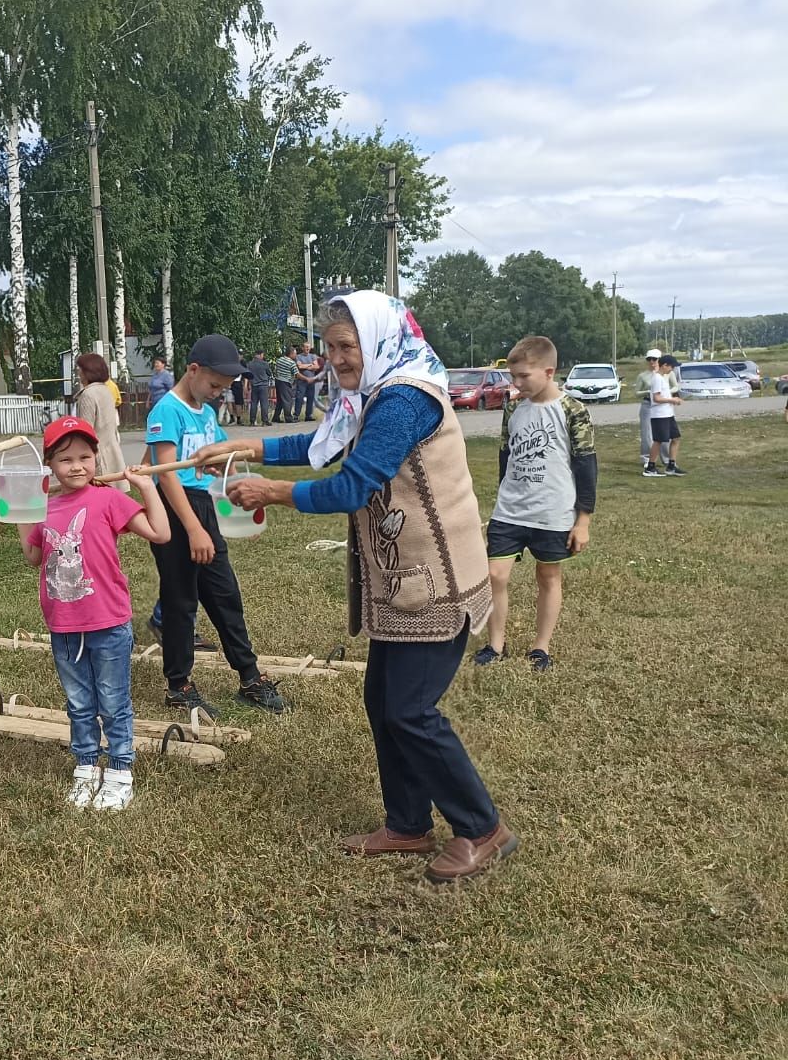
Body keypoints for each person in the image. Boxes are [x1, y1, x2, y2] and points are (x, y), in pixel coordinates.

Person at [204, 291, 516, 885]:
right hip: (405, 579)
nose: (338, 359)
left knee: (410, 709)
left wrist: (273, 491)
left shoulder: (403, 399)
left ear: (377, 340)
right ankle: (407, 824)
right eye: (329, 347)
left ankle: (482, 827)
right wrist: (247, 445)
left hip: (436, 578)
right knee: (383, 701)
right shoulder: (371, 395)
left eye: (348, 346)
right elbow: (325, 443)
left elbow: (350, 485)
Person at [19, 417, 170, 810]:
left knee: (113, 700)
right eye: (66, 459)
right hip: (64, 626)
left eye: (85, 457)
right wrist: (20, 511)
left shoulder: (108, 499)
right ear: (50, 464)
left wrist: (145, 487)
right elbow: (34, 556)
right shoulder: (45, 507)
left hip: (109, 622)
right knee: (79, 702)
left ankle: (120, 771)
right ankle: (86, 767)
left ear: (96, 457)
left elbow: (160, 533)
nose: (77, 466)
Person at [144, 333, 284, 719]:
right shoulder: (166, 411)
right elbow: (168, 477)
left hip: (204, 507)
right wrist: (193, 529)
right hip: (177, 514)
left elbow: (224, 458)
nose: (218, 394)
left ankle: (250, 677)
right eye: (214, 385)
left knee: (225, 596)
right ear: (193, 370)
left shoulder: (205, 412)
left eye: (224, 388)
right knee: (180, 602)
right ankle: (179, 685)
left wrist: (237, 484)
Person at [472, 336, 596, 673]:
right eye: (514, 376)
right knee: (495, 575)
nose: (516, 383)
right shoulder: (513, 408)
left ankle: (540, 648)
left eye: (524, 376)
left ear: (549, 371)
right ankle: (496, 645)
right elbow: (505, 454)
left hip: (552, 512)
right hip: (510, 511)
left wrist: (582, 520)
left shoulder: (572, 410)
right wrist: (502, 497)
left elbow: (586, 463)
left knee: (548, 576)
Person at [73, 352, 126, 482]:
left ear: (88, 371)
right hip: (112, 453)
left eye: (80, 369)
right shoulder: (106, 390)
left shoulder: (88, 395)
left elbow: (86, 432)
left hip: (97, 457)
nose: (79, 373)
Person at [646, 355, 685, 477]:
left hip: (668, 414)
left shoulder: (663, 378)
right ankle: (650, 468)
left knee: (676, 438)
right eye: (671, 366)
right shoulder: (657, 378)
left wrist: (673, 400)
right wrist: (672, 400)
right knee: (658, 440)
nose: (672, 369)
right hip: (659, 415)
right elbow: (656, 398)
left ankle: (671, 466)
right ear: (664, 365)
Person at [635, 349, 661, 469]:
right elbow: (636, 393)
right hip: (647, 404)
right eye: (649, 359)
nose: (651, 361)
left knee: (663, 432)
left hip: (662, 405)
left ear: (659, 360)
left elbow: (674, 386)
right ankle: (646, 458)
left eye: (654, 359)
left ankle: (666, 459)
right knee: (647, 433)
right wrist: (648, 391)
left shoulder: (664, 373)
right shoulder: (643, 375)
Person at [294, 343, 325, 420]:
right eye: (306, 347)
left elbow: (317, 367)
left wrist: (305, 366)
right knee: (299, 398)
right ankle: (296, 415)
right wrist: (311, 365)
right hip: (301, 381)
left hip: (311, 381)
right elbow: (299, 366)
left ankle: (308, 415)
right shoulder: (298, 356)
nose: (308, 348)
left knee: (310, 398)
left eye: (309, 347)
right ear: (302, 348)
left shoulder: (313, 356)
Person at [245, 351, 272, 426]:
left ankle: (252, 421)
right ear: (260, 355)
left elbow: (248, 375)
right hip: (263, 385)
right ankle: (264, 421)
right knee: (264, 403)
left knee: (254, 403)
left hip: (254, 385)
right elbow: (269, 373)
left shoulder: (249, 364)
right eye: (263, 355)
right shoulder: (265, 364)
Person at [272, 345, 298, 422]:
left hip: (278, 381)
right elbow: (297, 373)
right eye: (295, 353)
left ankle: (276, 417)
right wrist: (306, 378)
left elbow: (275, 370)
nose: (296, 355)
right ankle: (288, 418)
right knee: (287, 400)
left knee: (280, 400)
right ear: (291, 353)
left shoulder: (279, 360)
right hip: (286, 382)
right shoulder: (291, 363)